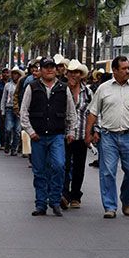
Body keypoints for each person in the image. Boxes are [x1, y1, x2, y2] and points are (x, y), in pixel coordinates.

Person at [86, 56, 129, 219]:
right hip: (108, 137)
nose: (128, 71)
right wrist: (89, 133)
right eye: (124, 68)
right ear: (114, 71)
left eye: (128, 68)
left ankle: (126, 200)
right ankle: (110, 206)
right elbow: (93, 112)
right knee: (107, 172)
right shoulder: (103, 89)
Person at [20, 56, 77, 217]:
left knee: (59, 166)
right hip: (38, 136)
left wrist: (71, 131)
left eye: (52, 66)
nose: (50, 69)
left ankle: (55, 201)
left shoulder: (63, 88)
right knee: (39, 171)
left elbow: (71, 112)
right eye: (46, 67)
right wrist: (30, 131)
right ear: (41, 69)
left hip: (57, 135)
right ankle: (40, 204)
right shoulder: (32, 87)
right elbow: (24, 112)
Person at [62, 59, 92, 209]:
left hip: (81, 134)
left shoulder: (88, 92)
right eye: (71, 72)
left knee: (79, 167)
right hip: (64, 134)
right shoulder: (61, 89)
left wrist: (92, 132)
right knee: (64, 165)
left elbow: (93, 113)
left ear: (81, 75)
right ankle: (64, 195)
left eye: (77, 72)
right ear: (67, 74)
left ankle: (75, 196)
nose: (74, 75)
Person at [1, 66, 24, 156]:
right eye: (13, 73)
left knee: (17, 130)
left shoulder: (21, 84)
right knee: (8, 128)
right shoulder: (8, 85)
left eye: (16, 74)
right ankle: (7, 145)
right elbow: (4, 98)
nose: (14, 75)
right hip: (9, 108)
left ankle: (14, 148)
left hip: (19, 109)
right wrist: (2, 110)